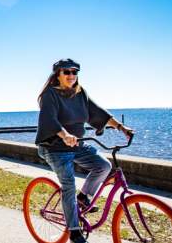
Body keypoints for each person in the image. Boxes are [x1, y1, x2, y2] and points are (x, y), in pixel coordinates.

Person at [35, 58, 133, 243]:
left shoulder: (80, 94)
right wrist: (64, 135)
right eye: (67, 72)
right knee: (69, 185)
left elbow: (98, 113)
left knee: (103, 166)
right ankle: (74, 231)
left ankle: (83, 198)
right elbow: (49, 119)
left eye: (75, 72)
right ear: (58, 74)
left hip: (77, 145)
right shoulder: (50, 94)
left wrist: (122, 128)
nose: (71, 75)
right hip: (54, 148)